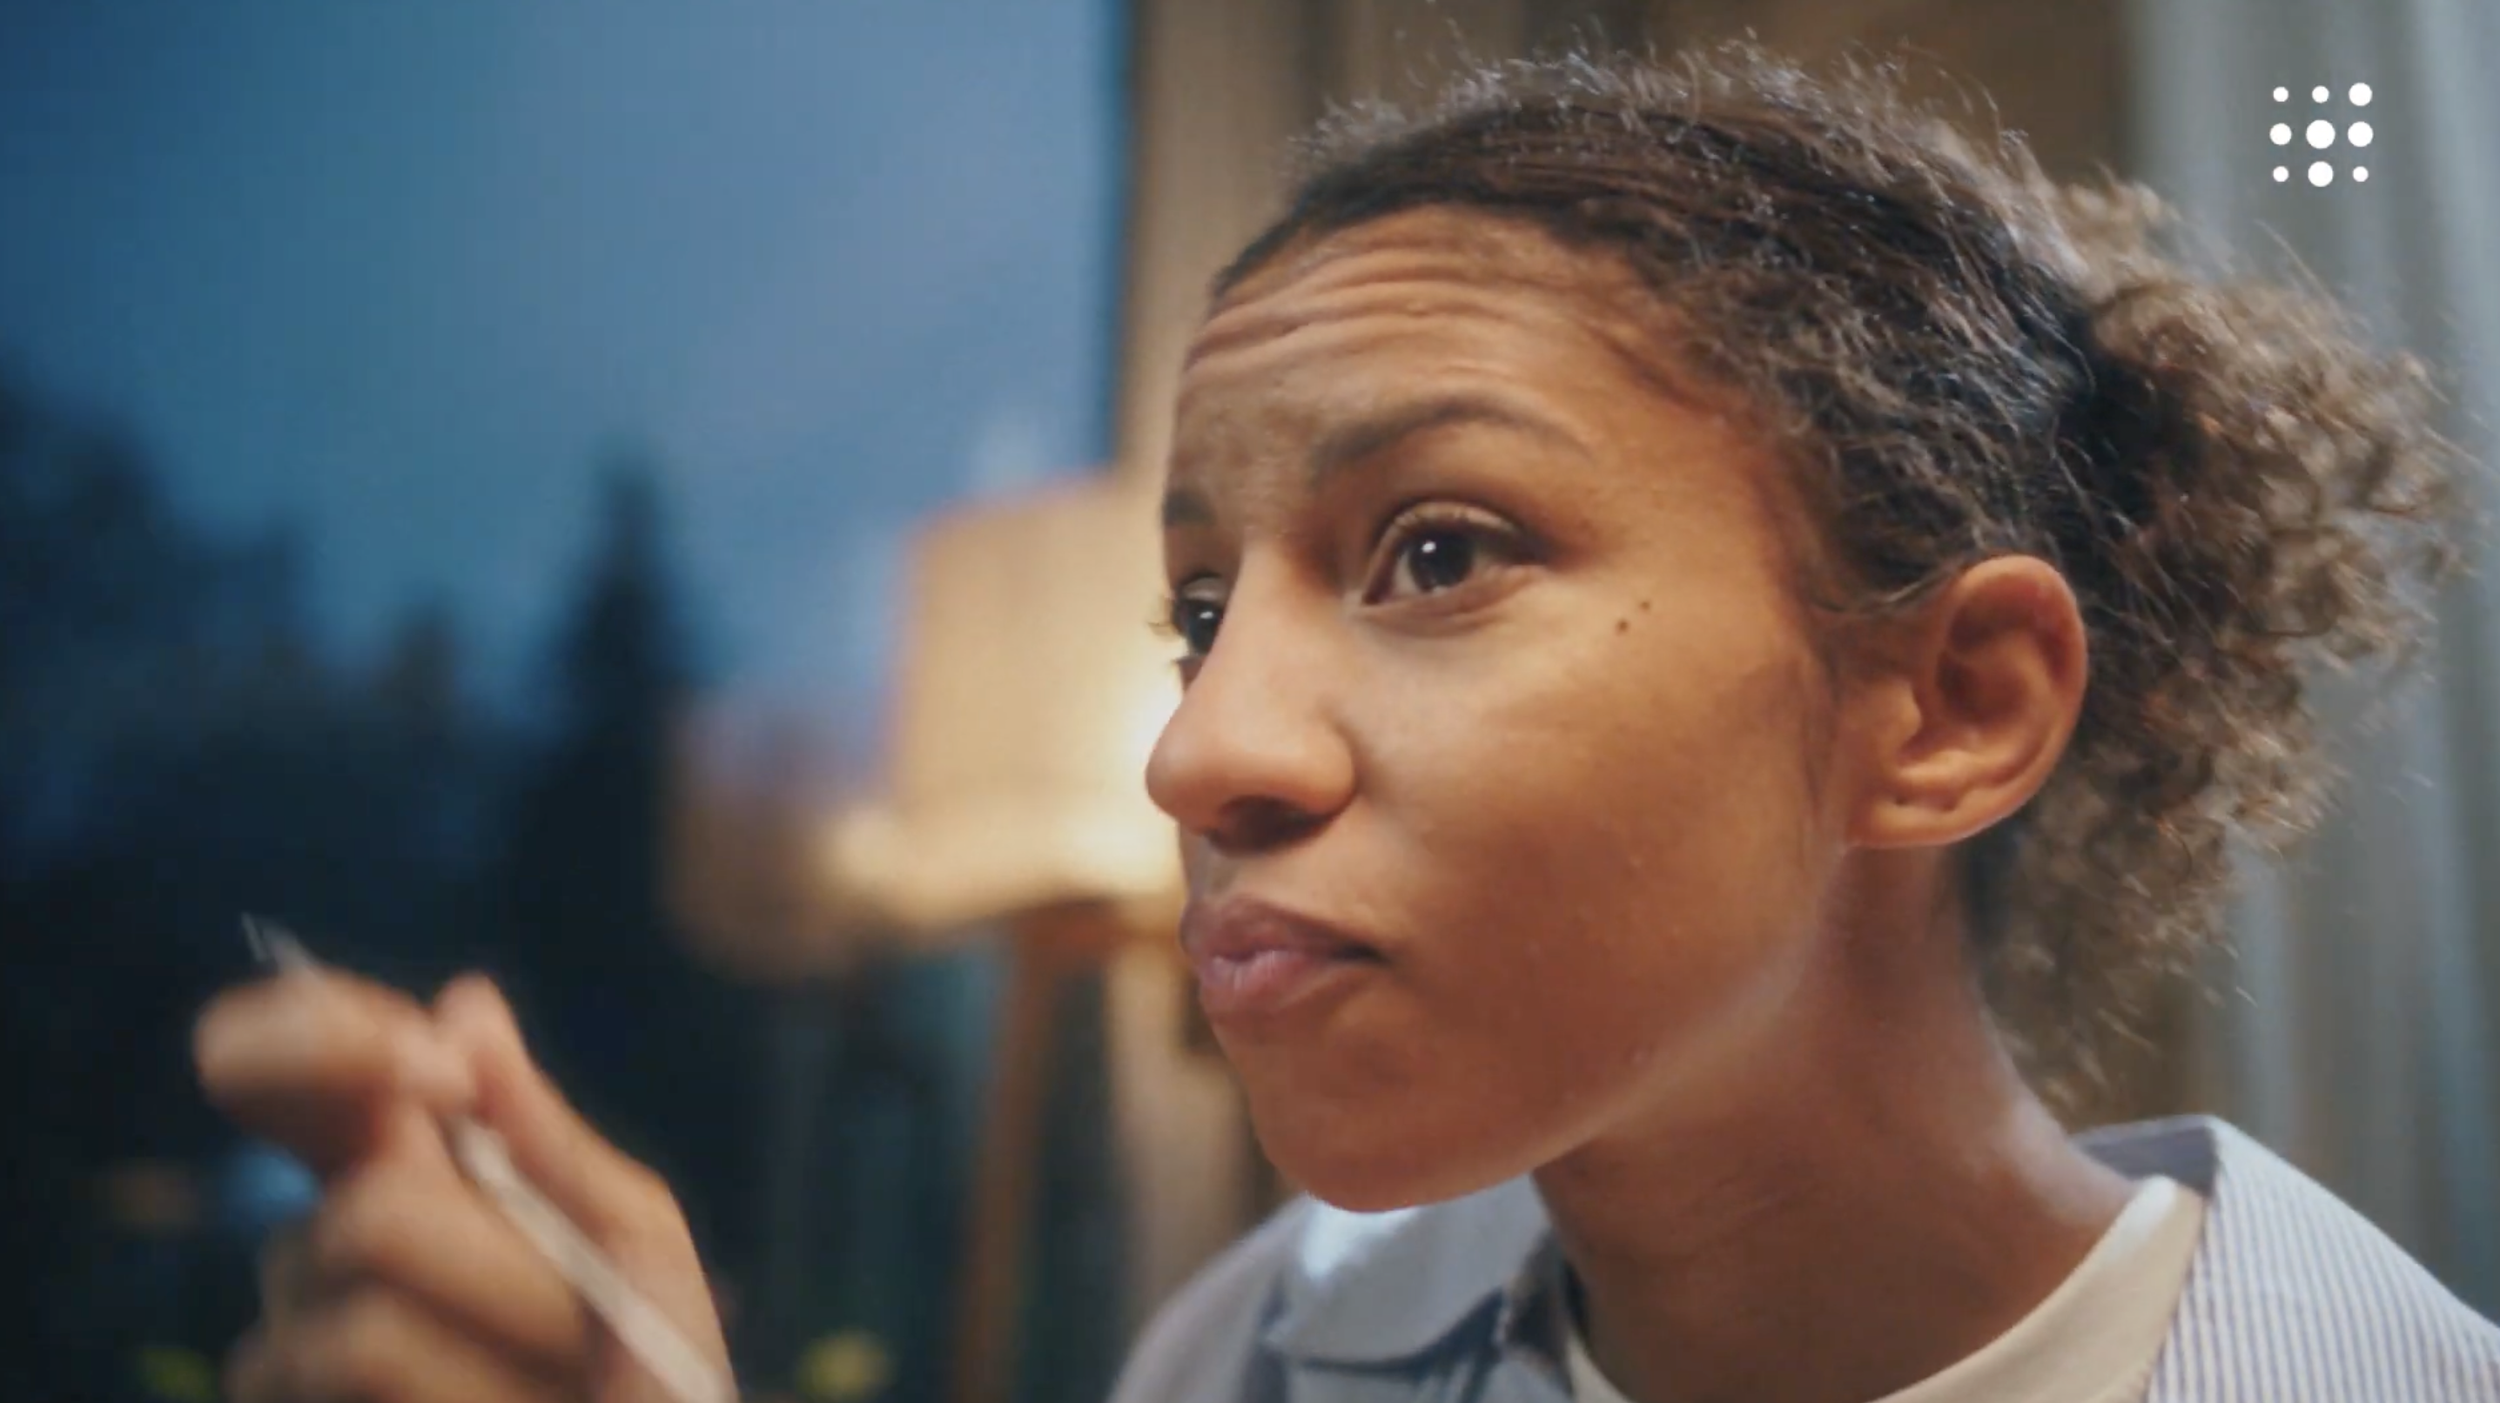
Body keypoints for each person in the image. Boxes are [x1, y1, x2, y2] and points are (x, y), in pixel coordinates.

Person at [194, 42, 2497, 1403]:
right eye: (1200, 608)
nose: (1196, 755)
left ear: (1946, 703)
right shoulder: (1250, 1352)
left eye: (1435, 550)